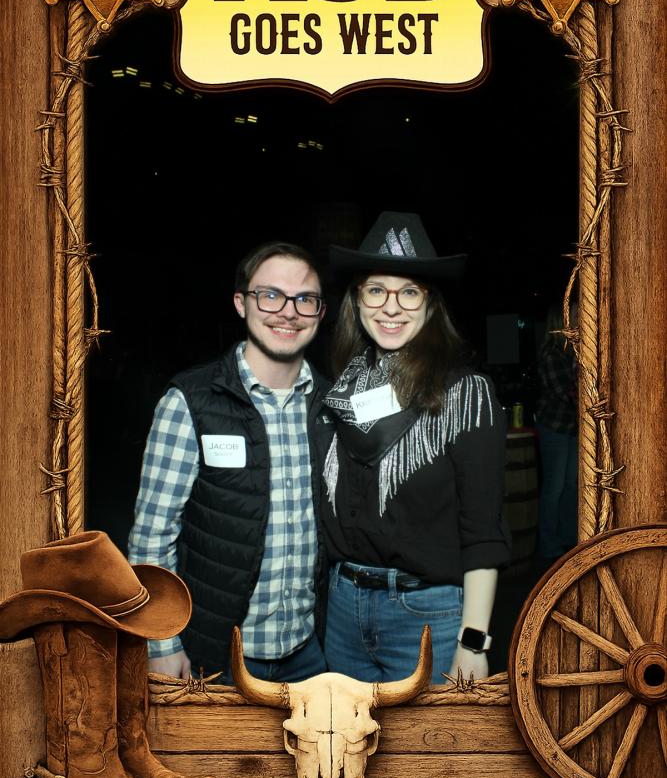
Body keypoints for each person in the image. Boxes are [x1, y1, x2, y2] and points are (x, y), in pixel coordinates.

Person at [127, 241, 332, 683]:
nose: (288, 312)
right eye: (270, 295)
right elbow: (151, 538)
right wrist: (161, 643)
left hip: (310, 656)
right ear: (242, 303)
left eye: (304, 299)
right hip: (217, 657)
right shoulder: (190, 401)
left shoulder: (330, 405)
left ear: (320, 312)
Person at [321, 212, 510, 684]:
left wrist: (474, 641)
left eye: (409, 292)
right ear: (357, 300)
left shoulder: (463, 395)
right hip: (342, 610)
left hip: (427, 615)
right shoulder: (338, 393)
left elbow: (483, 531)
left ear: (429, 303)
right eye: (376, 290)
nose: (391, 307)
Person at [534, 303, 578, 559]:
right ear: (561, 321)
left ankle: (568, 540)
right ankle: (549, 547)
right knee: (554, 488)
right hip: (554, 428)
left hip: (571, 427)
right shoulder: (552, 354)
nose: (580, 319)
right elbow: (569, 394)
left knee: (571, 487)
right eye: (575, 314)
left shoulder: (573, 351)